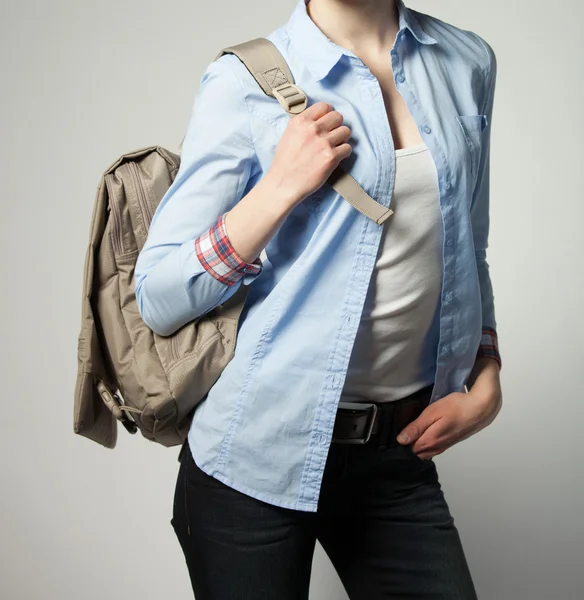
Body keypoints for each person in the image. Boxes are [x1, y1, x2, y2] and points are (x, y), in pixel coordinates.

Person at [134, 0, 503, 597]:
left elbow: (469, 243)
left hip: (397, 456)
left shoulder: (465, 61)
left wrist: (485, 369)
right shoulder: (243, 81)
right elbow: (158, 294)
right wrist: (278, 187)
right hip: (254, 458)